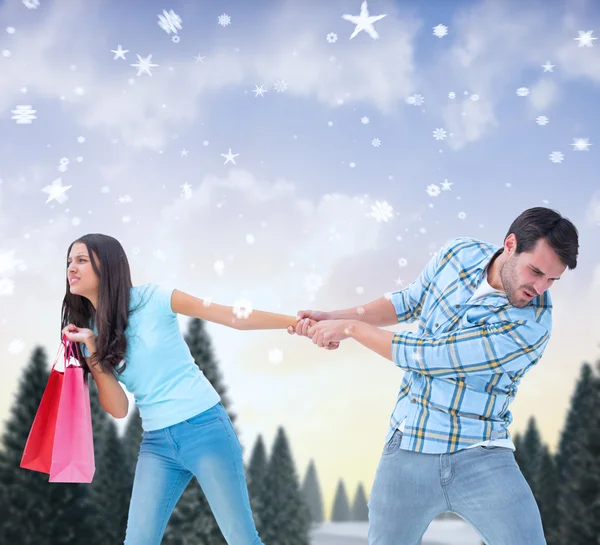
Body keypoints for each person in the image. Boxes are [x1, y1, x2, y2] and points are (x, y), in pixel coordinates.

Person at [289, 207, 579, 545]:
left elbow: (430, 356)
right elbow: (408, 301)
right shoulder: (459, 253)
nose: (540, 287)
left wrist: (351, 329)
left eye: (552, 280)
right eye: (536, 272)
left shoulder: (531, 325)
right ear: (510, 245)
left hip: (481, 455)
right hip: (408, 446)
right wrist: (332, 316)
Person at [61, 233, 307, 545]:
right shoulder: (90, 335)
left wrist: (297, 322)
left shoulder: (155, 298)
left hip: (204, 428)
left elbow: (232, 316)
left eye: (81, 259)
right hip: (157, 444)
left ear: (107, 265)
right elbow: (119, 409)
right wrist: (93, 351)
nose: (71, 267)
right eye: (69, 261)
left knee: (242, 538)